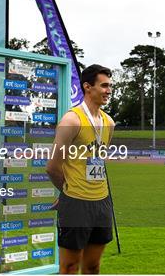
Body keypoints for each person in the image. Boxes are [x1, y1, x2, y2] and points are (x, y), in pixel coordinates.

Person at [46, 64, 115, 274]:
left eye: (110, 86)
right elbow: (52, 167)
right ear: (87, 87)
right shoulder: (71, 120)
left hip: (102, 201)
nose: (108, 91)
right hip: (76, 203)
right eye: (104, 86)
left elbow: (99, 160)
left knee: (93, 266)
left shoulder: (109, 122)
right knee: (69, 267)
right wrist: (67, 191)